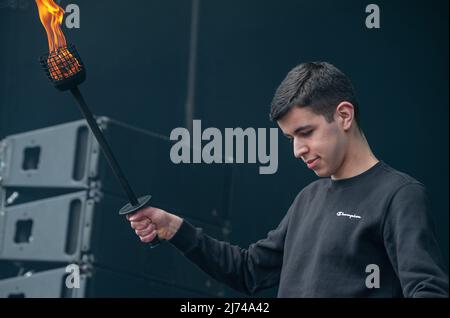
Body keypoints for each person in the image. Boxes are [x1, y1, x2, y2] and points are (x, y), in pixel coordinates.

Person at [127, 62, 449, 297]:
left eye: (305, 132)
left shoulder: (399, 196)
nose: (297, 149)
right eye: (290, 138)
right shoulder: (307, 199)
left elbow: (428, 290)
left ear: (344, 116)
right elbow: (248, 271)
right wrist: (173, 228)